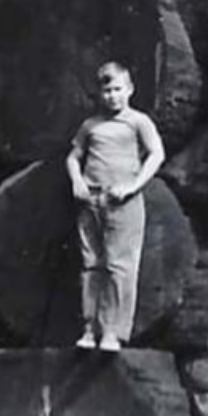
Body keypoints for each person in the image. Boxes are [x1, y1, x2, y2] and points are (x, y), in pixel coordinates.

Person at [65, 61, 165, 352]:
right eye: (107, 90)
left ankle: (112, 332)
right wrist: (77, 182)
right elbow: (73, 157)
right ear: (99, 93)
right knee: (91, 263)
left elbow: (156, 154)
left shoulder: (138, 122)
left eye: (118, 89)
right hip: (90, 200)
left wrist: (133, 186)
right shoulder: (91, 125)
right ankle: (89, 328)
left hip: (122, 201)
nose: (112, 96)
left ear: (130, 90)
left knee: (119, 266)